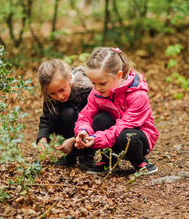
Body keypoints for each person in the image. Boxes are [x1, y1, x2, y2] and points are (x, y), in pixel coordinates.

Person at [74, 47, 159, 175]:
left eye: (102, 83)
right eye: (93, 83)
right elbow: (85, 117)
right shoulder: (97, 92)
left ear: (119, 75)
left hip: (139, 135)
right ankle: (108, 161)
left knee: (126, 136)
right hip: (113, 134)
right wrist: (83, 131)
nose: (97, 88)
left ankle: (139, 161)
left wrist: (96, 139)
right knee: (99, 119)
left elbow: (122, 126)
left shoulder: (138, 95)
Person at [37, 59, 95, 169]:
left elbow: (93, 120)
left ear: (69, 78)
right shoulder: (50, 94)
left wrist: (75, 139)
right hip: (69, 135)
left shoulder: (85, 90)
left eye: (62, 90)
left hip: (87, 133)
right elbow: (45, 118)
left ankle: (86, 154)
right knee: (54, 112)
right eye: (52, 93)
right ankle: (71, 153)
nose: (59, 96)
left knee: (69, 113)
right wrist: (43, 137)